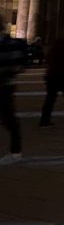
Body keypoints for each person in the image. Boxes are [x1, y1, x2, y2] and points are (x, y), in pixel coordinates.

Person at [0, 25, 25, 162]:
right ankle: (16, 151)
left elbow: (17, 66)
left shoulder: (10, 45)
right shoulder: (12, 44)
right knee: (8, 118)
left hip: (4, 86)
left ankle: (15, 151)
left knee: (9, 119)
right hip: (6, 84)